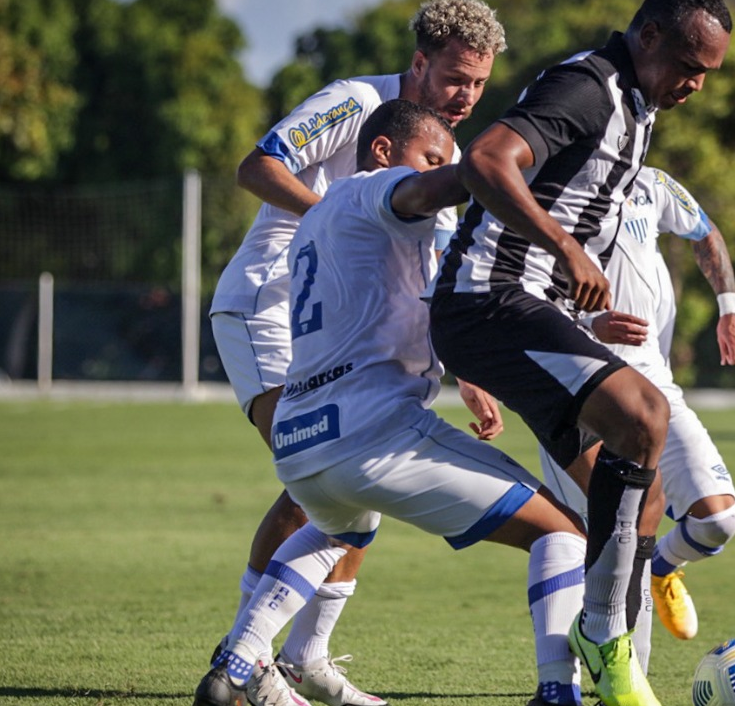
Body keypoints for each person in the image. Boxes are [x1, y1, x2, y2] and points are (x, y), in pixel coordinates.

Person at [200, 100, 589, 706]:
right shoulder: (372, 191)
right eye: (432, 157)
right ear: (382, 152)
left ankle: (236, 662)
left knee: (339, 525)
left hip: (304, 438)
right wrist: (486, 168)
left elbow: (403, 308)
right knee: (563, 531)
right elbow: (425, 192)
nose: (440, 169)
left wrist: (467, 373)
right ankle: (556, 694)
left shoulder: (321, 221)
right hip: (372, 431)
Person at [428, 0, 732, 705]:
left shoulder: (639, 107)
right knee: (646, 416)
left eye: (708, 74)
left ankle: (587, 681)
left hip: (526, 310)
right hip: (486, 301)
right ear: (649, 36)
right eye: (689, 64)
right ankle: (601, 635)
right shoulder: (590, 86)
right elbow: (488, 159)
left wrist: (581, 319)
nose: (695, 83)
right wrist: (565, 249)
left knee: (641, 492)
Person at [203, 0, 506, 706]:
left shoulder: (447, 156)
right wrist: (338, 222)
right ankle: (246, 665)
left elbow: (433, 269)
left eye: (479, 85)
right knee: (318, 482)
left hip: (345, 333)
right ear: (420, 61)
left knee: (351, 476)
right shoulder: (355, 102)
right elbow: (258, 165)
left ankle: (302, 658)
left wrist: (468, 370)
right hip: (269, 309)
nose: (465, 97)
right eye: (455, 78)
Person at [538, 167, 735, 659]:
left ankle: (663, 568)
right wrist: (589, 320)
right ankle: (581, 675)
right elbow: (514, 293)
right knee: (612, 535)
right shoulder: (543, 189)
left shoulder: (651, 183)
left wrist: (731, 304)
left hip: (655, 387)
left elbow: (705, 233)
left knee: (719, 521)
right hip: (578, 388)